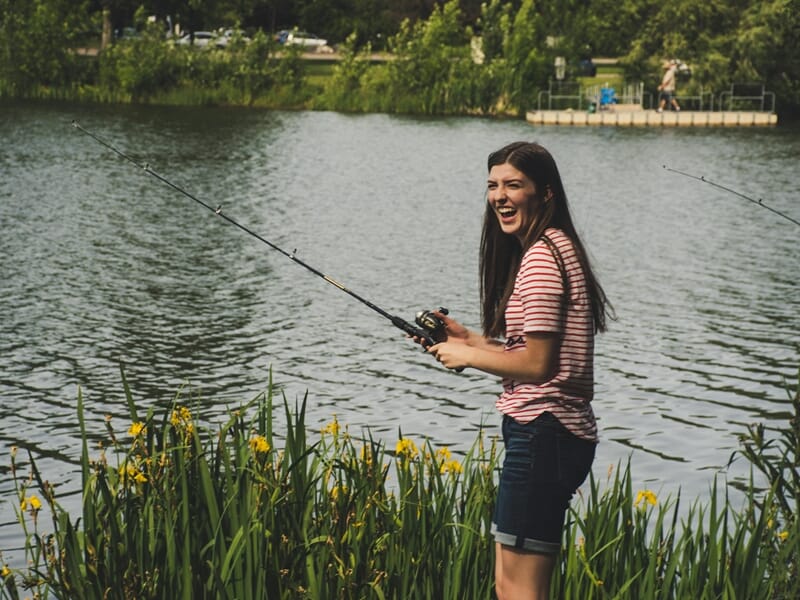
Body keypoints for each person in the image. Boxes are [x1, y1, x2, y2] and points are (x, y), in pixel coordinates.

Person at [425, 141, 613, 600]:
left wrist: (467, 358)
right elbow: (528, 350)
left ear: (545, 193)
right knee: (510, 585)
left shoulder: (541, 259)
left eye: (513, 185)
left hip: (543, 433)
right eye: (492, 185)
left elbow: (536, 364)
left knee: (518, 591)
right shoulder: (557, 245)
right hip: (552, 434)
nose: (499, 196)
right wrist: (468, 339)